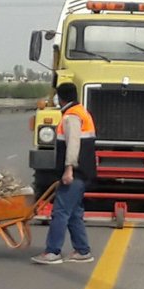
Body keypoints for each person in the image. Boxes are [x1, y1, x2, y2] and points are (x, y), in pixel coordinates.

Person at [31, 83, 97, 265]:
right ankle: (82, 250)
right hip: (83, 172)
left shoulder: (71, 116)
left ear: (60, 98)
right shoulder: (81, 111)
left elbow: (73, 144)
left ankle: (52, 252)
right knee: (74, 212)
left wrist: (68, 169)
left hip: (75, 173)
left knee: (60, 212)